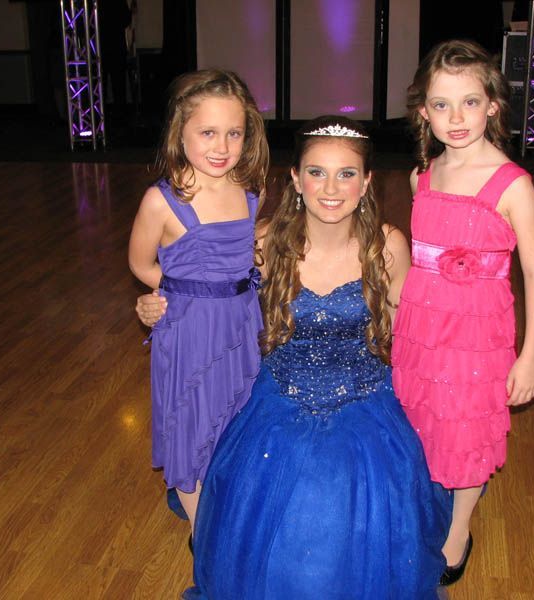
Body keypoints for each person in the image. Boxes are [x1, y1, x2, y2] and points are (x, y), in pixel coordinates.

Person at [141, 115, 451, 598]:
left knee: (347, 504)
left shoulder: (387, 246)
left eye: (347, 173)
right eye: (316, 172)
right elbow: (206, 291)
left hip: (366, 401)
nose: (331, 187)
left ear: (367, 181)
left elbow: (411, 331)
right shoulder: (263, 242)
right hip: (277, 400)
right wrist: (158, 300)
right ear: (295, 179)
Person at [391, 39, 534, 586]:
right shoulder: (422, 177)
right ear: (423, 112)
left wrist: (528, 358)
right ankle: (424, 506)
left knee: (465, 428)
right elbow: (415, 263)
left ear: (493, 106)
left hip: (478, 333)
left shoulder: (513, 184)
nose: (455, 118)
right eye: (441, 104)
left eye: (469, 102)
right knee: (423, 419)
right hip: (422, 327)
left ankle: (458, 527)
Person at [128, 69, 269, 545]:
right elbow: (140, 262)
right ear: (180, 133)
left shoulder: (251, 190)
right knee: (191, 419)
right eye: (207, 132)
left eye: (234, 133)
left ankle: (225, 495)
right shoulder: (162, 201)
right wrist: (167, 293)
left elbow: (248, 252)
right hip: (190, 329)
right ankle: (202, 528)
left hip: (244, 322)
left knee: (235, 416)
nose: (222, 146)